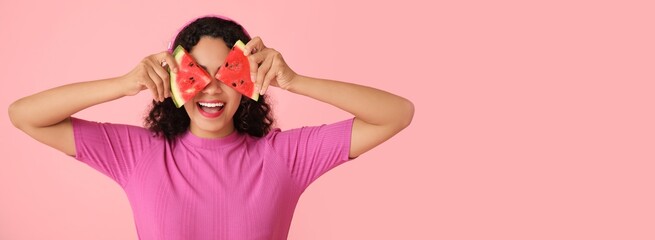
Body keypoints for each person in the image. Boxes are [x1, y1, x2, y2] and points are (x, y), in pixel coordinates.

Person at [8, 16, 414, 239]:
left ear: (250, 80)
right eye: (196, 73)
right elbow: (24, 114)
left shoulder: (285, 157)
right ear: (173, 80)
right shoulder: (138, 154)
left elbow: (397, 113)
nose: (211, 88)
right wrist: (124, 83)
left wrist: (294, 81)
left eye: (226, 73)